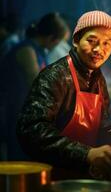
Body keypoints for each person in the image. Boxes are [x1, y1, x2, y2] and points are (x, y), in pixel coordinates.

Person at [17, 11, 111, 180]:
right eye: (91, 41)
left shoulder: (98, 79)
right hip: (50, 177)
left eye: (107, 43)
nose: (99, 49)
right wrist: (87, 154)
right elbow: (31, 131)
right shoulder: (55, 76)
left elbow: (98, 130)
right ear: (76, 40)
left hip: (82, 176)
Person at [0, 12, 68, 160]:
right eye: (57, 42)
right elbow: (37, 83)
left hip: (26, 110)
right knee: (20, 158)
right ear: (51, 38)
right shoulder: (27, 50)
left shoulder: (39, 50)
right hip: (15, 111)